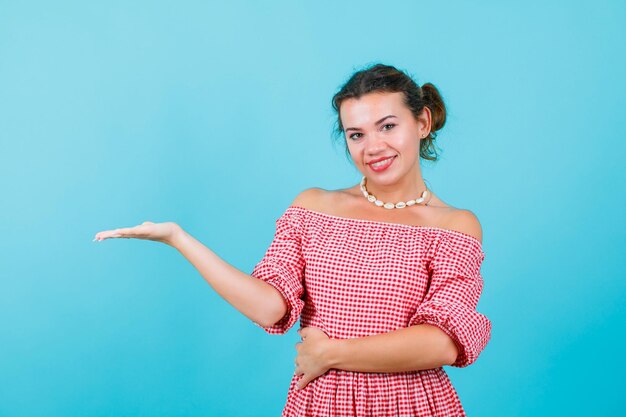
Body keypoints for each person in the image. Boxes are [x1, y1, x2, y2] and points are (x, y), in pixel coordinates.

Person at [93, 63, 492, 417]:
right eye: (356, 134)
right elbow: (270, 308)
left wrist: (333, 353)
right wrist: (179, 239)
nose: (373, 147)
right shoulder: (313, 207)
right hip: (322, 402)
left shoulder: (454, 225)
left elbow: (443, 342)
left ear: (421, 122)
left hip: (410, 404)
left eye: (388, 126)